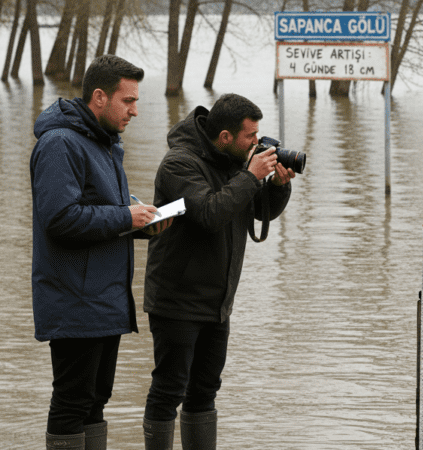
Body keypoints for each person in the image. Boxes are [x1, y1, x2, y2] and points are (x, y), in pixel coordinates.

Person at [30, 55, 172, 450]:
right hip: (74, 298)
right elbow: (60, 219)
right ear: (99, 97)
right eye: (127, 101)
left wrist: (142, 223)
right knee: (73, 402)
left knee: (95, 403)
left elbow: (102, 209)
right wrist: (126, 217)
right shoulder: (61, 143)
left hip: (105, 299)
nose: (135, 110)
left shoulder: (104, 143)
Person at [141, 93, 294, 449]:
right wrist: (252, 175)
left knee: (205, 391)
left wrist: (277, 185)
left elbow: (259, 212)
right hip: (176, 299)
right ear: (225, 136)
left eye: (258, 135)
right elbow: (209, 214)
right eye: (249, 137)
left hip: (217, 301)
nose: (257, 143)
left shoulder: (234, 161)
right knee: (169, 390)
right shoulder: (179, 165)